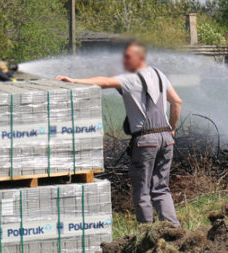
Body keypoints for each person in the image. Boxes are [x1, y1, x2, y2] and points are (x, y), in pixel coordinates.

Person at [56, 41, 183, 226]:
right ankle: (174, 231)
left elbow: (105, 81)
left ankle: (148, 233)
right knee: (161, 188)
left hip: (146, 140)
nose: (124, 60)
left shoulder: (131, 79)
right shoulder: (159, 74)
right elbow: (177, 102)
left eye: (128, 57)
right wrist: (172, 128)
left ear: (140, 58)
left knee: (142, 190)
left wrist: (74, 80)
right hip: (166, 139)